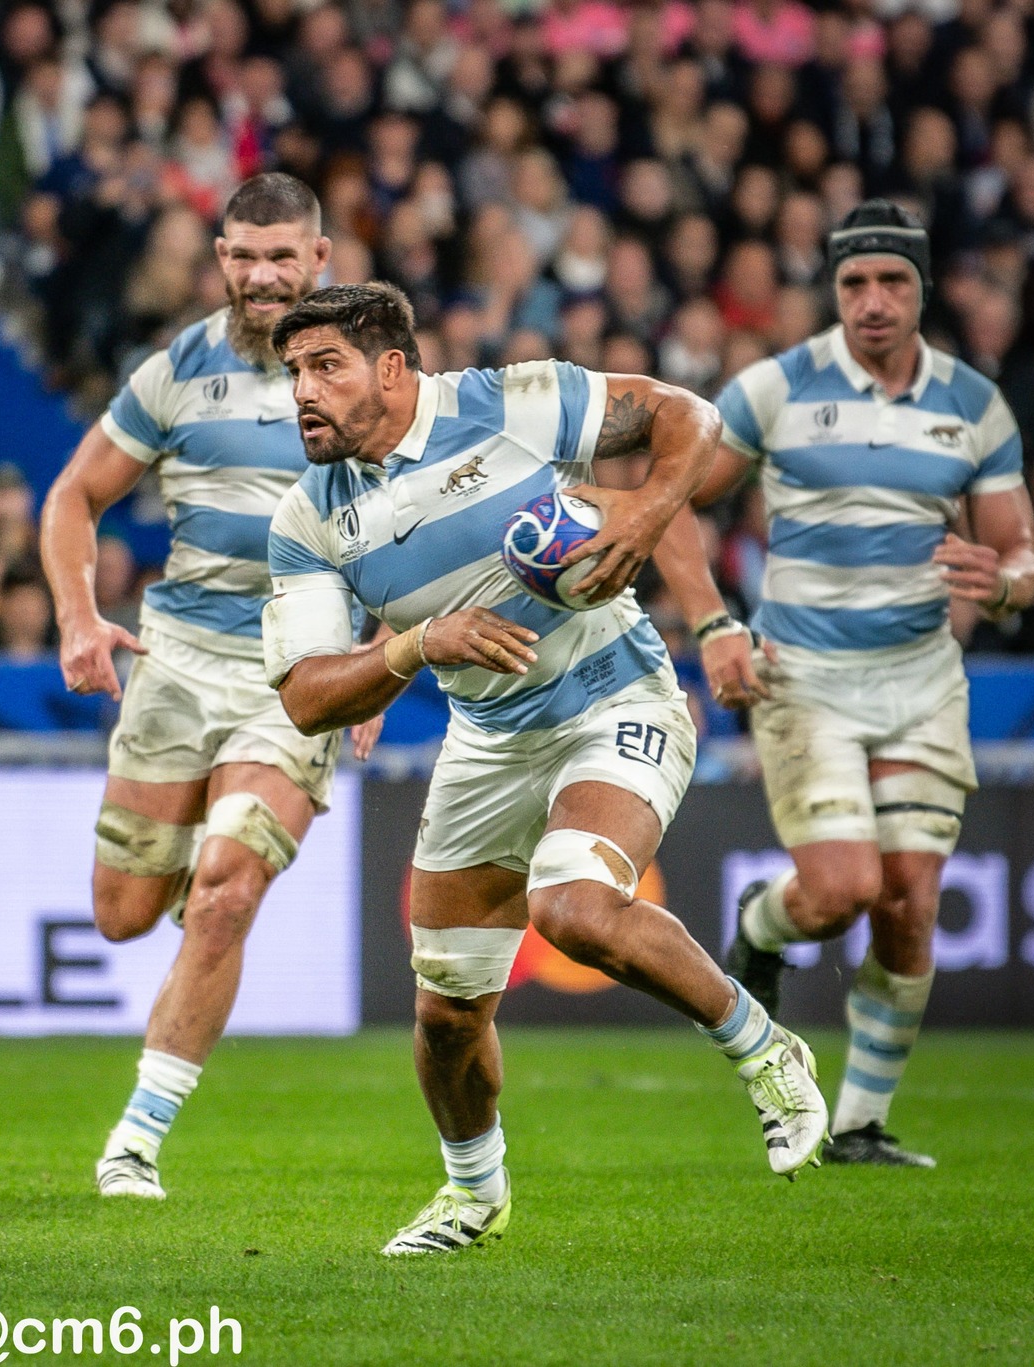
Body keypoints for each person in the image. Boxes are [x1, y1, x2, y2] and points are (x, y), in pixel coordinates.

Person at [261, 282, 827, 1257]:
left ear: (391, 369)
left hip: (613, 694)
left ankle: (761, 1044)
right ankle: (473, 1195)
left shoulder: (501, 402)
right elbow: (309, 693)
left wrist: (645, 513)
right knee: (445, 1012)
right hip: (483, 739)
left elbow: (684, 415)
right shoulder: (306, 518)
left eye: (324, 367)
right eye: (291, 374)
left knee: (571, 907)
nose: (300, 393)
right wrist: (412, 646)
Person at [660, 202, 1034, 1168]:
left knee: (911, 898)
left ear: (923, 289)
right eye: (855, 284)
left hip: (920, 679)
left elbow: (1022, 550)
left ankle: (859, 1123)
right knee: (841, 889)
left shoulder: (974, 405)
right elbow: (668, 498)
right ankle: (759, 928)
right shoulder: (776, 390)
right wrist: (712, 625)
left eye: (894, 283)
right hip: (805, 677)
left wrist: (1008, 582)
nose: (873, 302)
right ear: (833, 291)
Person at [38, 173, 378, 1202]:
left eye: (283, 256)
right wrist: (75, 615)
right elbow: (70, 495)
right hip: (176, 661)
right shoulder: (175, 370)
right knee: (120, 912)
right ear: (219, 257)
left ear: (319, 259)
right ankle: (212, 856)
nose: (262, 274)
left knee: (226, 891)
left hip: (295, 671)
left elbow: (424, 519)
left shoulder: (367, 373)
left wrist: (385, 661)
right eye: (243, 255)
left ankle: (134, 1141)